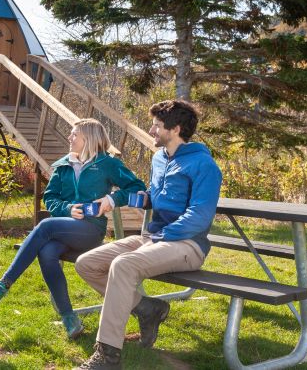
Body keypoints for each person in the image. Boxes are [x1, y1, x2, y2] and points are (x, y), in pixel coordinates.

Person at [74, 100, 222, 370]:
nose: (151, 130)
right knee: (87, 264)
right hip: (155, 239)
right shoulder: (159, 159)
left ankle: (107, 357)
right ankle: (147, 308)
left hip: (187, 245)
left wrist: (163, 235)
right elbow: (154, 198)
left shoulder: (204, 165)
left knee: (124, 264)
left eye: (156, 125)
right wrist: (117, 200)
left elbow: (200, 215)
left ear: (175, 129)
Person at [0, 118, 146, 339]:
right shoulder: (63, 165)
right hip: (65, 228)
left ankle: (3, 284)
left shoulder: (107, 163)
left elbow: (137, 187)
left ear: (89, 138)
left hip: (91, 229)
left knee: (45, 225)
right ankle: (69, 319)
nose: (70, 137)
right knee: (47, 252)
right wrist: (68, 209)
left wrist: (112, 198)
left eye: (74, 134)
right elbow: (50, 198)